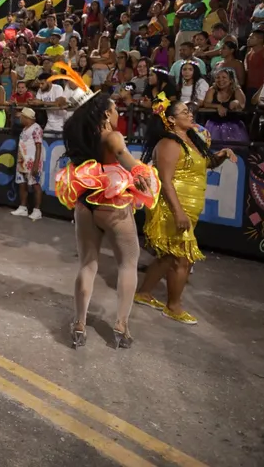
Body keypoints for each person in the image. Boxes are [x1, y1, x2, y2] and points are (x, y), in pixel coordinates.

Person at [54, 66, 160, 349]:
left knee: (87, 264)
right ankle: (121, 327)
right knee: (128, 263)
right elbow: (131, 165)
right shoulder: (112, 137)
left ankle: (79, 324)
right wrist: (146, 172)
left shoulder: (78, 135)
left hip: (84, 202)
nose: (118, 114)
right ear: (103, 113)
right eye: (115, 109)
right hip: (112, 203)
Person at [134, 94, 236, 325]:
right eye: (185, 112)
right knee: (183, 259)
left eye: (190, 112)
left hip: (190, 206)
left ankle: (144, 293)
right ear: (170, 120)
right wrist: (178, 212)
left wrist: (220, 155)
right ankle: (174, 306)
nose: (191, 115)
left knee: (170, 255)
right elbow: (167, 181)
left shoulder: (192, 140)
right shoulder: (169, 143)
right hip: (174, 206)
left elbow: (205, 164)